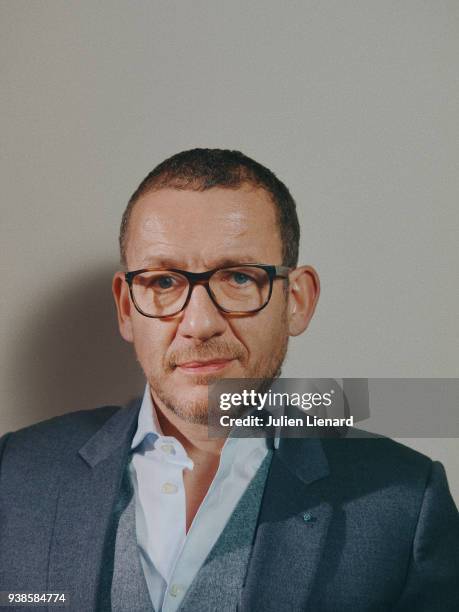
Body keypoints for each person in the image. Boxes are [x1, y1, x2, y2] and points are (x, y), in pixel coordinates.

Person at [0, 149, 458, 612]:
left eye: (238, 277)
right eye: (163, 283)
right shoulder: (14, 474)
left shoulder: (405, 503)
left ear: (296, 301)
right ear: (125, 308)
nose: (199, 324)